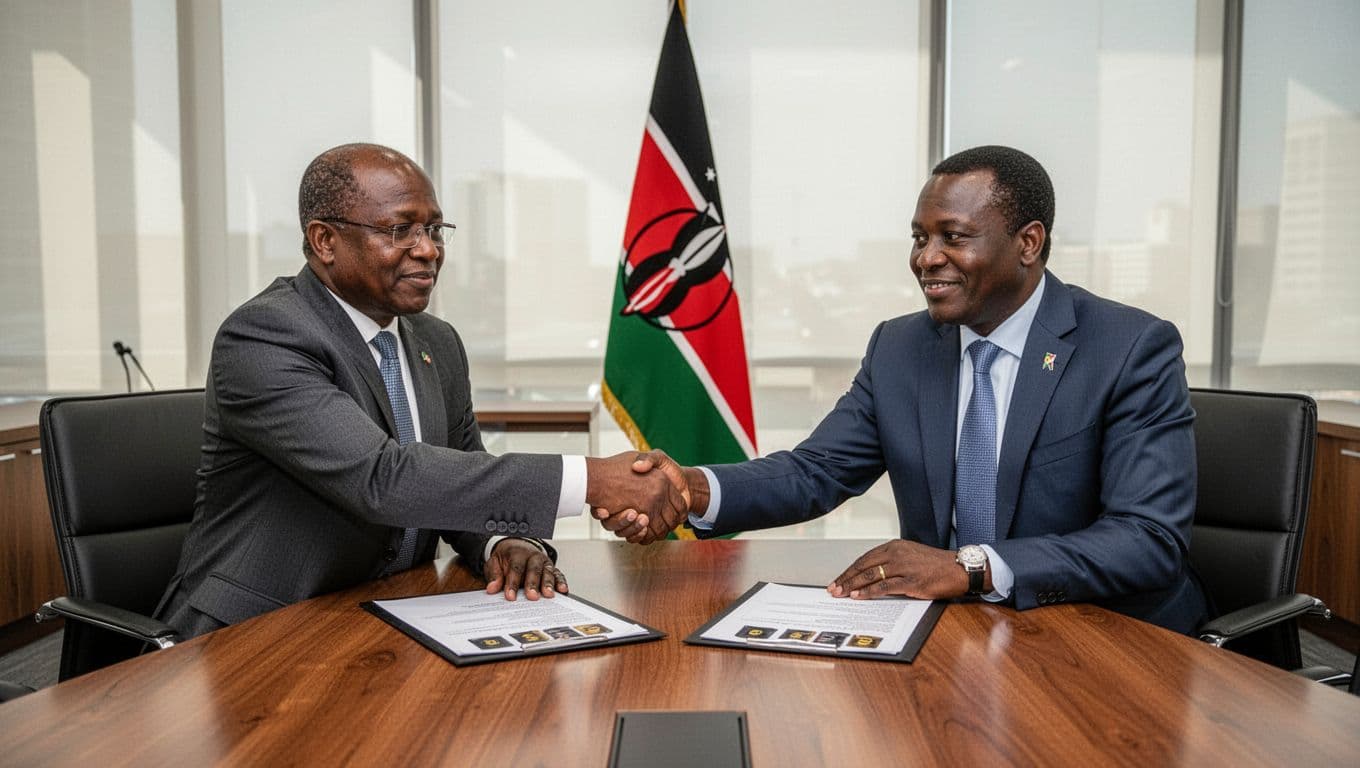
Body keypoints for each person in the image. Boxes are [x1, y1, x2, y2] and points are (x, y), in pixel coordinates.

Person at [604, 145, 1209, 634]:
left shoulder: (1128, 347)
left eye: (954, 237)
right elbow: (817, 471)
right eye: (920, 238)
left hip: (1106, 636)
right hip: (951, 635)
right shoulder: (900, 346)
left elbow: (1147, 540)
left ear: (1028, 243)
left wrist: (969, 567)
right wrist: (692, 487)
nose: (927, 258)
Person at [156, 143, 684, 639]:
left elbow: (460, 471)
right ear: (324, 241)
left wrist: (502, 541)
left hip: (379, 621)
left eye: (434, 229)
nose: (428, 250)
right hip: (255, 634)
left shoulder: (437, 342)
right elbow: (383, 479)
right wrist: (592, 479)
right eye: (400, 230)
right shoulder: (264, 336)